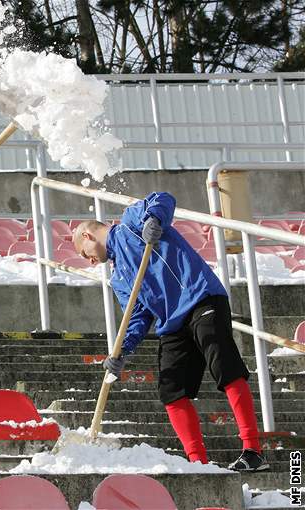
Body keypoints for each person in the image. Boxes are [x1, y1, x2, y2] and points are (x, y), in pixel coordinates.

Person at [72, 191, 268, 472]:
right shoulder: (118, 278)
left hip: (201, 298)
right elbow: (137, 316)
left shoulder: (131, 222)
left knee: (225, 365)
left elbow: (163, 198)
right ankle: (198, 463)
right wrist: (122, 350)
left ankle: (253, 451)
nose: (89, 261)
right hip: (172, 323)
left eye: (84, 254)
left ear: (88, 237)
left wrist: (154, 219)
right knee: (171, 389)